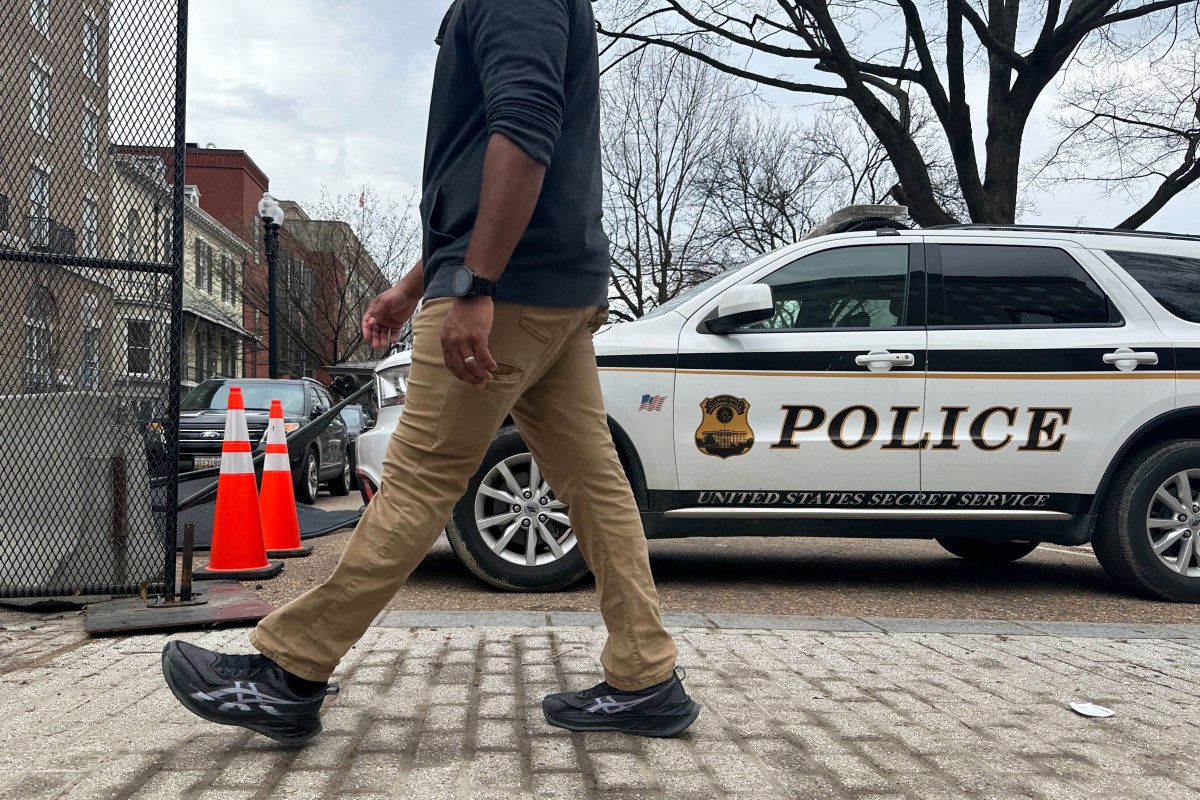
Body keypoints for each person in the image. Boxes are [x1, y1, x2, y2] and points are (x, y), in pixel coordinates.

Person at [160, 0, 700, 743]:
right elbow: (483, 169)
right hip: (553, 288)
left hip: (507, 288)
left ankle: (290, 670)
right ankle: (647, 676)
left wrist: (475, 283)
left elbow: (525, 128)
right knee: (595, 484)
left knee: (418, 480)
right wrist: (415, 284)